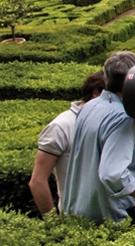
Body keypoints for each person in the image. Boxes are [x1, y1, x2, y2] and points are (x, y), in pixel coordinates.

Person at [62, 52, 135, 223]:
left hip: (78, 212)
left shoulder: (89, 106)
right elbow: (112, 174)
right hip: (108, 216)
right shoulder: (122, 118)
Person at [29, 71, 105, 216]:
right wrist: (54, 223)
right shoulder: (61, 126)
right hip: (76, 219)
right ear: (96, 94)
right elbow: (37, 181)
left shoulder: (112, 123)